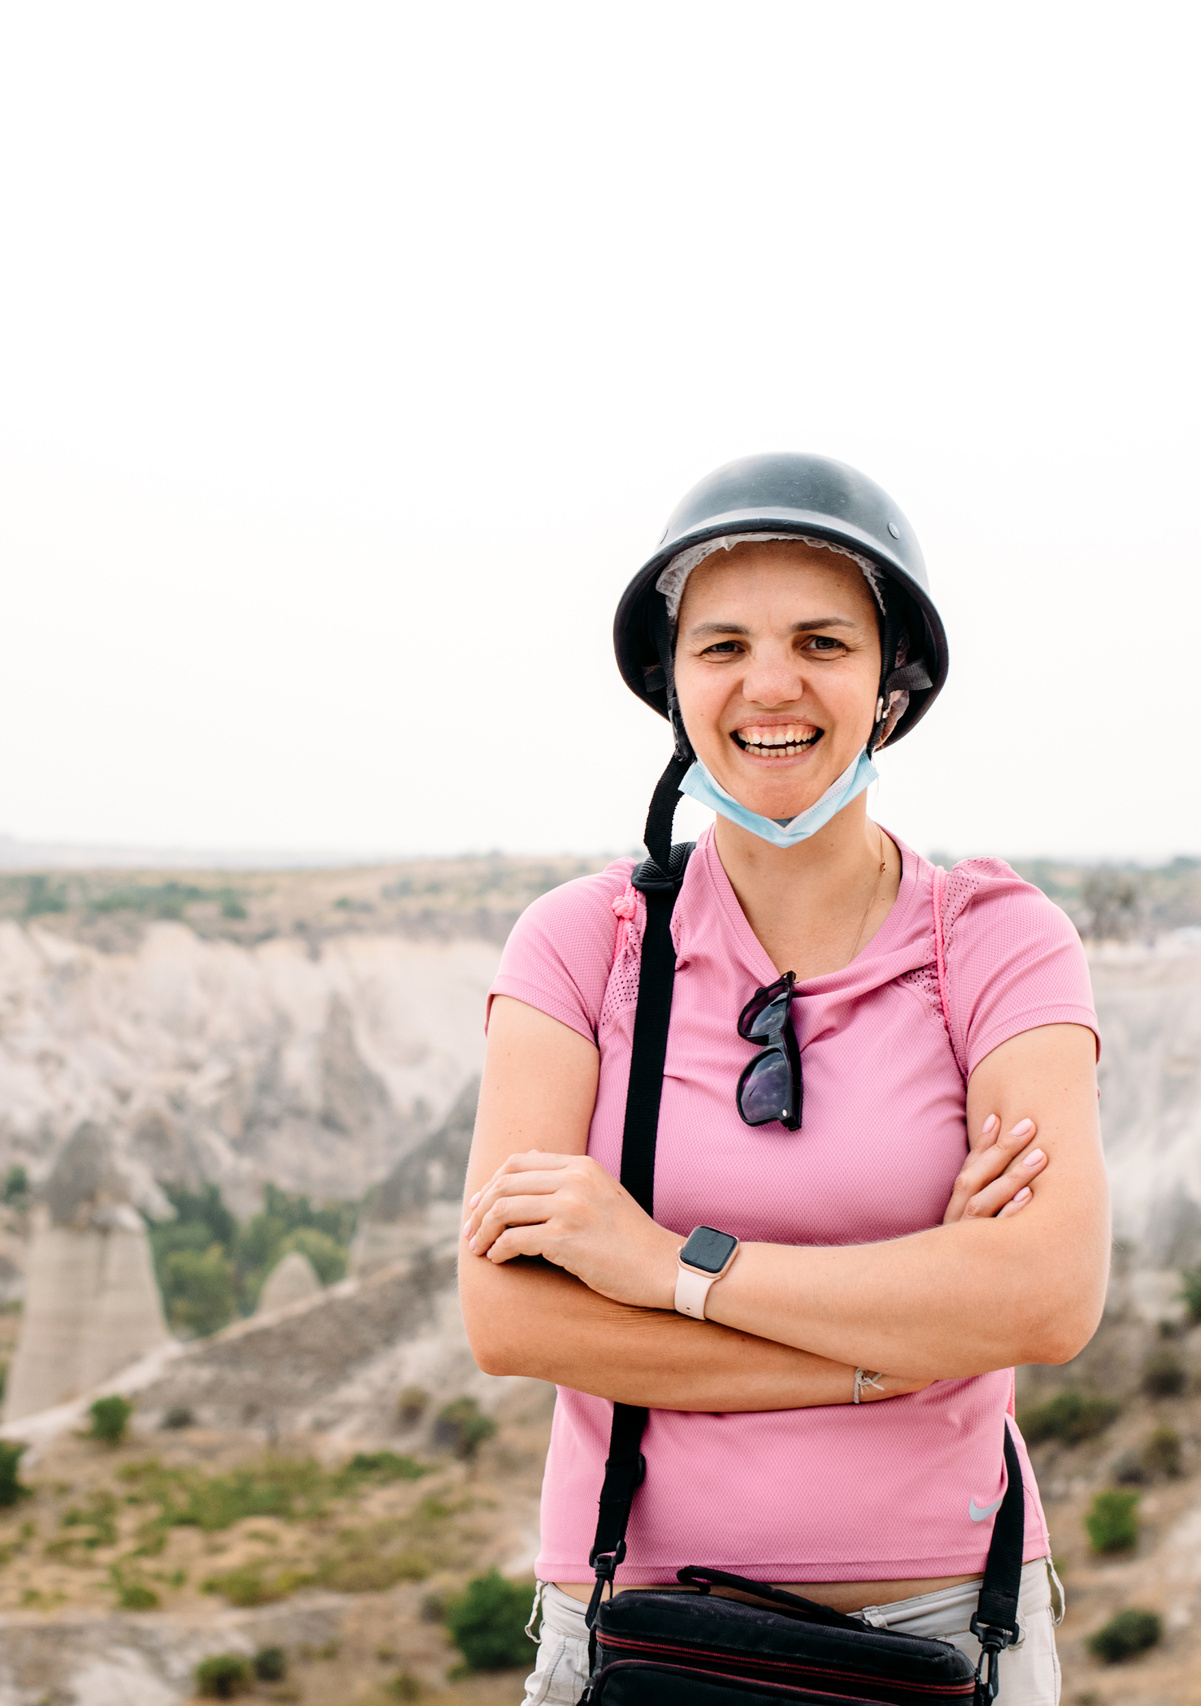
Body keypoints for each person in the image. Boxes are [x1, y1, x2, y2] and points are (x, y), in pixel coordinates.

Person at [460, 453, 1106, 1705]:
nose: (770, 685)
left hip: (947, 1620)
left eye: (820, 640)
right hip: (638, 1620)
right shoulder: (580, 943)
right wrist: (890, 1349)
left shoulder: (996, 940)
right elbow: (515, 1320)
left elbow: (1044, 1294)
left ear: (889, 684)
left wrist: (664, 1269)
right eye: (721, 647)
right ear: (671, 681)